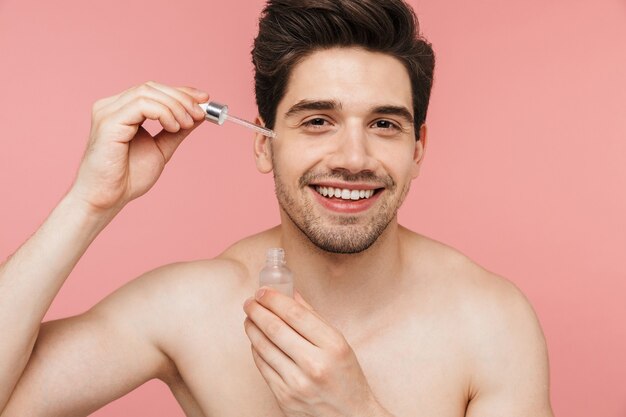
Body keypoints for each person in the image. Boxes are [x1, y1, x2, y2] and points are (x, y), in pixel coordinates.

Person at [0, 0, 554, 416]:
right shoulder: (193, 307)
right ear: (264, 145)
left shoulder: (490, 322)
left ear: (418, 151)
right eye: (317, 121)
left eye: (384, 124)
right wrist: (89, 202)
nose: (354, 158)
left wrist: (356, 411)